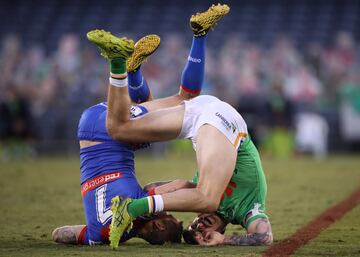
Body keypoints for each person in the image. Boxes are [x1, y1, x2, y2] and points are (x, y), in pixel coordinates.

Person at [86, 3, 272, 250]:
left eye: (193, 229)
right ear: (218, 229)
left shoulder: (199, 185)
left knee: (119, 128)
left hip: (200, 118)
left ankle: (121, 63)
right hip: (225, 121)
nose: (198, 226)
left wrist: (140, 216)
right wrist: (225, 240)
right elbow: (264, 236)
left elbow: (156, 189)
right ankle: (130, 210)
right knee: (206, 199)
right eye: (201, 230)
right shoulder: (247, 209)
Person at [52, 29, 208, 245]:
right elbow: (60, 234)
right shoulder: (100, 236)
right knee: (145, 133)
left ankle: (119, 64)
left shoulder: (141, 204)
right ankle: (133, 71)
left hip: (112, 127)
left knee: (187, 98)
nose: (172, 212)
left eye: (173, 217)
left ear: (159, 224)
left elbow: (182, 185)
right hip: (94, 127)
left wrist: (209, 196)